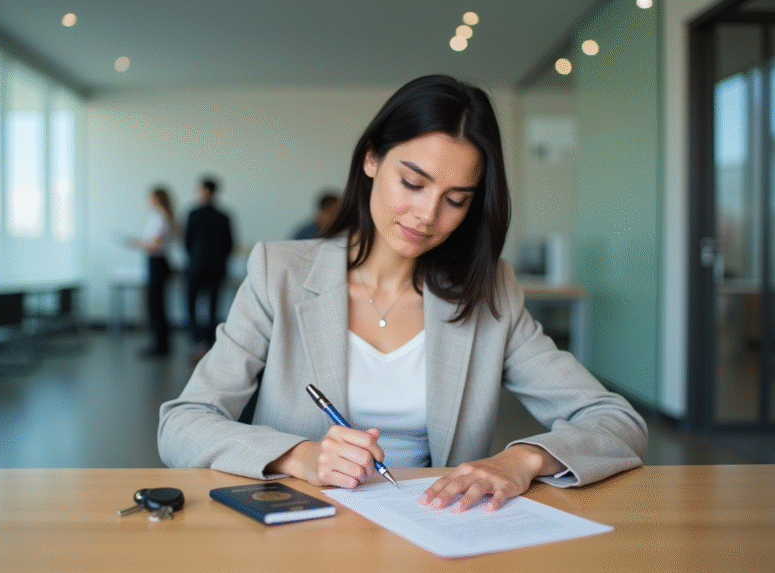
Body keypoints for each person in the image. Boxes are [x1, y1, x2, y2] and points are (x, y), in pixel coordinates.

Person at [158, 75, 647, 513]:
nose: (427, 215)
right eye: (413, 183)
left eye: (456, 200)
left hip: (437, 531)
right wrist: (300, 455)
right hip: (301, 535)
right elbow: (183, 424)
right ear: (371, 158)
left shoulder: (489, 292)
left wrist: (523, 459)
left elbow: (615, 421)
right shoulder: (279, 272)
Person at [184, 177, 234, 360]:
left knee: (191, 305)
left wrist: (195, 258)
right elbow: (229, 243)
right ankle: (209, 342)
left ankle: (197, 341)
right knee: (213, 306)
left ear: (205, 190)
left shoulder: (193, 213)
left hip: (196, 266)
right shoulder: (224, 216)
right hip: (216, 267)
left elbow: (187, 241)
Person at [128, 187, 178, 357]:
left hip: (158, 263)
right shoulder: (162, 216)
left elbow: (155, 244)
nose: (148, 200)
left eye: (150, 197)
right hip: (157, 263)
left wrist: (136, 243)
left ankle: (160, 346)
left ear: (157, 199)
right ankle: (159, 343)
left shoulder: (160, 217)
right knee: (156, 305)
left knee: (156, 306)